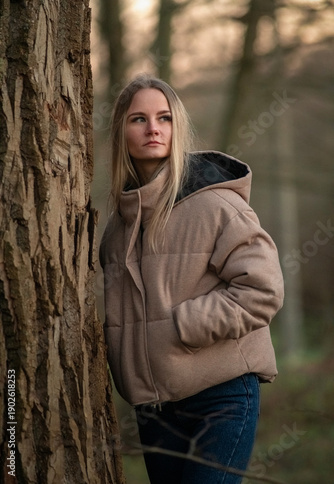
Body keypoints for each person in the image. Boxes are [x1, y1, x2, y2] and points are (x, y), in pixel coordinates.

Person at [99, 73, 284, 484]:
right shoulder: (115, 231)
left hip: (221, 398)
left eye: (164, 118)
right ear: (121, 132)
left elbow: (262, 288)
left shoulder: (216, 203)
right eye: (138, 119)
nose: (152, 129)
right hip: (154, 411)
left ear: (176, 127)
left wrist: (184, 325)